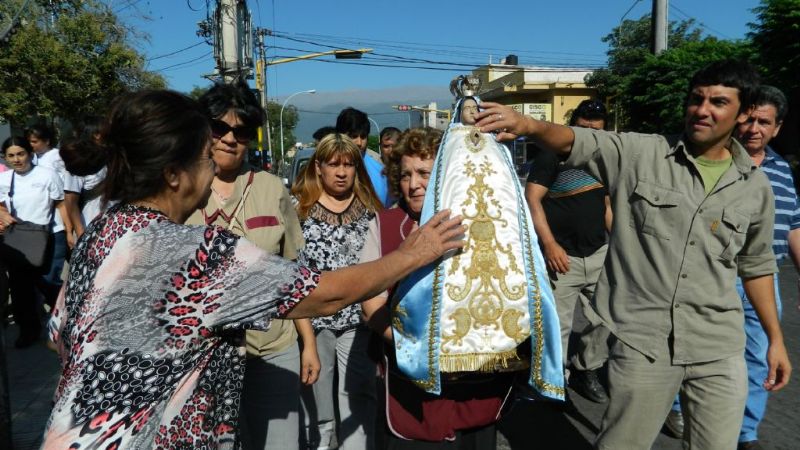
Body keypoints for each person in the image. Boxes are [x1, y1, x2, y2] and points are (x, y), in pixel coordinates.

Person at [41, 90, 464, 449]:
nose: (212, 171)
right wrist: (412, 254)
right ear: (174, 174)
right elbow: (325, 294)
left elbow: (57, 335)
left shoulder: (102, 231)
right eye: (205, 158)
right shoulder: (195, 252)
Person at [476, 59, 791, 449]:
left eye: (718, 102)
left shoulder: (755, 187)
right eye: (697, 99)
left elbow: (757, 267)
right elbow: (576, 140)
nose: (703, 109)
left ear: (742, 113)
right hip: (644, 344)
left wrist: (775, 340)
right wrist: (528, 125)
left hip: (719, 348)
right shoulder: (641, 153)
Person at [185, 81, 315, 450]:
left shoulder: (272, 188)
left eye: (241, 131)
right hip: (203, 353)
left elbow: (294, 273)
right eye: (219, 128)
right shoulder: (179, 190)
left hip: (272, 348)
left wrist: (308, 343)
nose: (230, 138)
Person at [361, 127, 503, 449]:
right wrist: (413, 349)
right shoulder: (382, 226)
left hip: (473, 386)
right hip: (409, 388)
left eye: (424, 173)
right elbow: (371, 304)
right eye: (405, 174)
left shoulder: (482, 220)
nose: (413, 185)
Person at [293, 133, 383, 450]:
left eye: (348, 165)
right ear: (319, 167)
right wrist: (306, 341)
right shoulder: (298, 211)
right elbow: (292, 277)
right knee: (315, 402)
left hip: (359, 323)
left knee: (358, 397)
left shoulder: (371, 210)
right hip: (313, 321)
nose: (341, 172)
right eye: (333, 164)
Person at [525, 98, 612, 403]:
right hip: (562, 257)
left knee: (604, 318)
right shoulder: (553, 155)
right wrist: (549, 244)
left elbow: (606, 205)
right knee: (558, 324)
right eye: (583, 125)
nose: (589, 131)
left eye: (596, 127)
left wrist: (616, 245)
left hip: (599, 253)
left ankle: (587, 368)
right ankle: (556, 380)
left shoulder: (606, 157)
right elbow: (532, 199)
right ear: (574, 124)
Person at [734, 85, 799, 450]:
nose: (754, 128)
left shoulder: (781, 169)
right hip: (718, 274)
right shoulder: (719, 160)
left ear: (776, 128)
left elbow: (795, 224)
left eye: (764, 122)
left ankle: (746, 432)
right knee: (700, 352)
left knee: (759, 355)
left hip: (766, 276)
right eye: (749, 119)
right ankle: (680, 407)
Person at [0, 137, 67, 348]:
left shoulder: (47, 174)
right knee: (20, 288)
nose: (16, 159)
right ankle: (28, 330)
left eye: (20, 153)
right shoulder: (5, 179)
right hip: (19, 237)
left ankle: (65, 325)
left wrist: (70, 232)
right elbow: (1, 206)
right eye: (11, 155)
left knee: (49, 282)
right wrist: (3, 215)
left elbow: (61, 204)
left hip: (50, 235)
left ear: (29, 153)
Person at [26, 124, 81, 308]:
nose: (31, 145)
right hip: (44, 222)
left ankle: (65, 305)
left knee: (58, 269)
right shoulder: (34, 157)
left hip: (60, 217)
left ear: (47, 141)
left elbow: (65, 188)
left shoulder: (56, 157)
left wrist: (69, 225)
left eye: (34, 141)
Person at [336, 107, 391, 206]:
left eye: (363, 136)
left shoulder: (381, 173)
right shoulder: (326, 171)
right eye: (353, 136)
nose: (359, 143)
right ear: (340, 136)